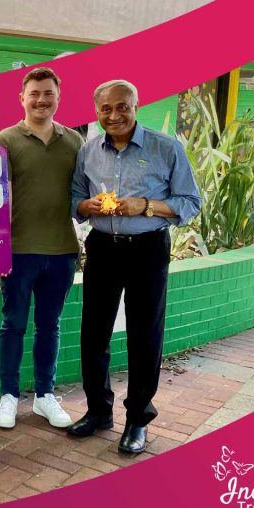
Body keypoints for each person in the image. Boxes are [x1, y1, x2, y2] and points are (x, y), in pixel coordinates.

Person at [69, 79, 202, 453]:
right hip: (102, 248)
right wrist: (85, 207)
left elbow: (190, 201)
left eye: (121, 106)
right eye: (105, 109)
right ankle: (98, 411)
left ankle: (137, 421)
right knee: (93, 333)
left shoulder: (165, 148)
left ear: (135, 106)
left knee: (145, 336)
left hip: (147, 248)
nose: (114, 115)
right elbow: (77, 195)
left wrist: (145, 205)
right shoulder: (89, 150)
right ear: (96, 112)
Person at [0, 67, 83, 430]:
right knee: (12, 324)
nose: (41, 100)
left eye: (48, 93)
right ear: (22, 98)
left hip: (61, 251)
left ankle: (45, 396)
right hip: (18, 252)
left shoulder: (74, 141)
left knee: (50, 325)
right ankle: (9, 396)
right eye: (34, 93)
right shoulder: (6, 139)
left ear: (58, 97)